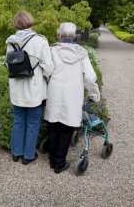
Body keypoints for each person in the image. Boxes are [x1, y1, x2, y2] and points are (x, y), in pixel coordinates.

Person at [44, 22, 100, 174]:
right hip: (72, 95)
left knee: (53, 127)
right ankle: (59, 163)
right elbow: (90, 77)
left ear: (60, 35)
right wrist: (94, 95)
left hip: (55, 93)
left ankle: (52, 161)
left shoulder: (52, 50)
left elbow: (47, 71)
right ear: (74, 35)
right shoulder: (82, 52)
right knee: (67, 129)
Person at [6, 10, 54, 165]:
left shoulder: (10, 41)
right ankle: (28, 156)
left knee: (18, 121)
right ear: (30, 21)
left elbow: (9, 64)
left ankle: (16, 153)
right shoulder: (40, 41)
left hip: (16, 88)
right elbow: (48, 66)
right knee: (33, 123)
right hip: (34, 89)